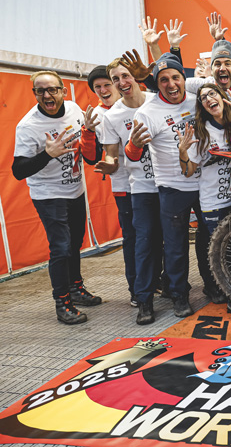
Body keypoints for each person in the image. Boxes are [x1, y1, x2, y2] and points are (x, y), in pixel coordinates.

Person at [12, 71, 103, 324]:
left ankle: (75, 288)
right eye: (40, 91)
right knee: (61, 247)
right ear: (35, 94)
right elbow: (18, 171)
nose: (47, 95)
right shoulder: (28, 126)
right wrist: (47, 155)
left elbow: (90, 152)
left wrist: (90, 132)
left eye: (52, 89)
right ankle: (62, 303)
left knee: (75, 243)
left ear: (63, 91)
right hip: (48, 194)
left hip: (75, 190)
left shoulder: (74, 110)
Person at [126, 53, 207, 318]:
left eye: (175, 77)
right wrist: (134, 145)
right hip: (173, 188)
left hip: (205, 184)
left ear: (184, 78)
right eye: (163, 80)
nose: (171, 84)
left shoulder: (197, 100)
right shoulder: (147, 112)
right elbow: (132, 155)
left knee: (209, 240)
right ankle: (177, 296)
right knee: (175, 246)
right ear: (156, 84)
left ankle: (214, 287)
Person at [98, 58, 164, 324]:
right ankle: (141, 295)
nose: (121, 82)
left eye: (125, 76)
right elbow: (111, 155)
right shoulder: (111, 116)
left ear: (135, 76)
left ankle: (169, 285)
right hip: (137, 187)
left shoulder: (157, 100)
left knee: (169, 239)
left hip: (169, 184)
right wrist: (109, 164)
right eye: (115, 79)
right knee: (141, 241)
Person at [180, 83, 231, 314]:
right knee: (221, 252)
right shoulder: (202, 132)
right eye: (203, 98)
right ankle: (230, 295)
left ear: (221, 97)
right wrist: (182, 152)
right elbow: (188, 171)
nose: (208, 99)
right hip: (212, 203)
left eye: (212, 94)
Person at [85, 66, 138, 306]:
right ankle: (136, 288)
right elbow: (92, 156)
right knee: (132, 238)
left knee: (156, 235)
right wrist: (88, 132)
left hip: (151, 182)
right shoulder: (96, 116)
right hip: (123, 185)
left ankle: (159, 280)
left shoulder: (138, 103)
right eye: (98, 87)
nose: (103, 90)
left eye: (107, 84)